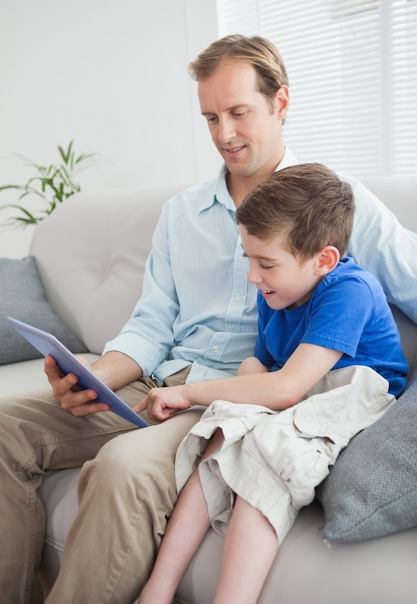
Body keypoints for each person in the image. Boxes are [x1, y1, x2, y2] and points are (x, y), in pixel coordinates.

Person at [0, 35, 415, 604]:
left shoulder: (335, 205)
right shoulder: (182, 213)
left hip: (229, 400)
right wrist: (97, 376)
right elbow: (151, 323)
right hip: (157, 381)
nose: (224, 134)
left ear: (281, 103)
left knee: (121, 469)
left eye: (239, 113)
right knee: (5, 429)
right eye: (210, 117)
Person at [137, 163, 408, 604]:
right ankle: (157, 590)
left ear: (324, 259)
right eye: (249, 259)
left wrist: (188, 391)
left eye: (265, 263)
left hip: (356, 389)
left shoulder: (350, 290)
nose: (252, 276)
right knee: (222, 432)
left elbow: (285, 387)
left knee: (269, 449)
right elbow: (261, 372)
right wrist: (253, 374)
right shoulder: (275, 292)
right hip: (303, 389)